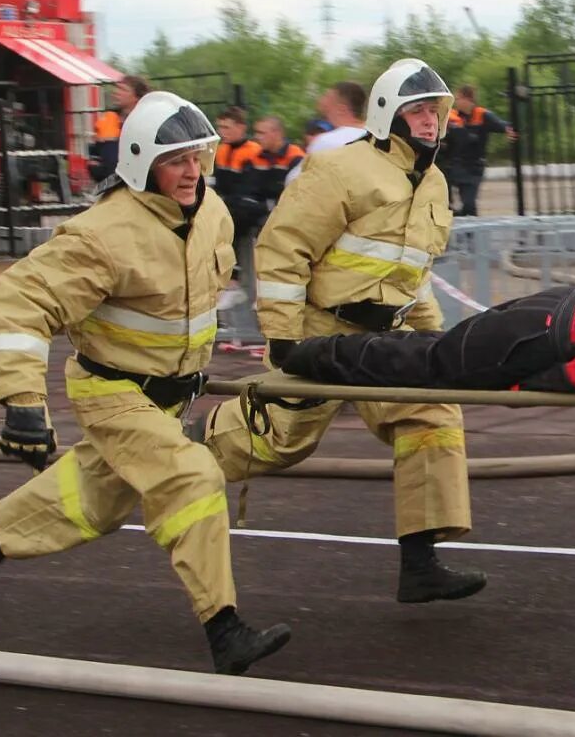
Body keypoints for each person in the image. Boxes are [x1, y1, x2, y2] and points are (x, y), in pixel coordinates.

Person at [0, 91, 291, 675]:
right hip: (111, 394)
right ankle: (225, 629)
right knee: (192, 476)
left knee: (95, 501)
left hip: (168, 397)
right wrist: (23, 405)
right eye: (175, 159)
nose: (192, 171)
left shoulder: (212, 211)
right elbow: (21, 303)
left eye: (198, 156)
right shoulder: (102, 234)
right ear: (141, 162)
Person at [194, 59, 486, 604]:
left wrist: (437, 342)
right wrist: (283, 340)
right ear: (386, 115)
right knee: (279, 441)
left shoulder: (435, 183)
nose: (429, 121)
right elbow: (283, 249)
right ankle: (183, 453)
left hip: (386, 337)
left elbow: (412, 272)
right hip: (321, 331)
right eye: (417, 111)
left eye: (435, 112)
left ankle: (420, 565)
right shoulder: (340, 170)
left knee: (431, 416)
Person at [281, 273, 575, 396]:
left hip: (554, 312)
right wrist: (520, 385)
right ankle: (306, 355)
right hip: (539, 338)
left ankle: (314, 352)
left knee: (440, 354)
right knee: (432, 365)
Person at [212, 106, 266, 341]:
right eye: (220, 127)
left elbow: (251, 189)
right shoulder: (221, 151)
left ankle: (234, 281)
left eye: (227, 127)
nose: (222, 132)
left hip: (247, 210)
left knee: (233, 222)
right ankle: (229, 282)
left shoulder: (253, 151)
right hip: (230, 207)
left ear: (241, 127)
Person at [436, 84, 516, 216]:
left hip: (474, 169)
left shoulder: (483, 115)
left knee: (469, 205)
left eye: (458, 98)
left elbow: (504, 125)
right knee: (442, 193)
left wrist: (510, 130)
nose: (456, 102)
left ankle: (467, 226)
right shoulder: (452, 117)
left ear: (468, 100)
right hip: (455, 166)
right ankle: (452, 214)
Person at [285, 81, 370, 184]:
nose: (320, 100)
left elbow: (293, 181)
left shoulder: (327, 142)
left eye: (326, 96)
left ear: (341, 109)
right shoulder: (377, 137)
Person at [87, 74, 150, 184]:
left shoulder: (147, 122)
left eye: (123, 89)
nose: (116, 92)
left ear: (136, 96)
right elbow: (94, 157)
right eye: (117, 88)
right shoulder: (107, 120)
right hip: (110, 184)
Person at [250, 115, 305, 210]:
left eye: (261, 133)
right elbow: (250, 189)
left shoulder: (296, 157)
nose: (257, 137)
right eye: (256, 132)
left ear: (277, 134)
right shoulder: (257, 156)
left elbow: (297, 196)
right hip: (259, 211)